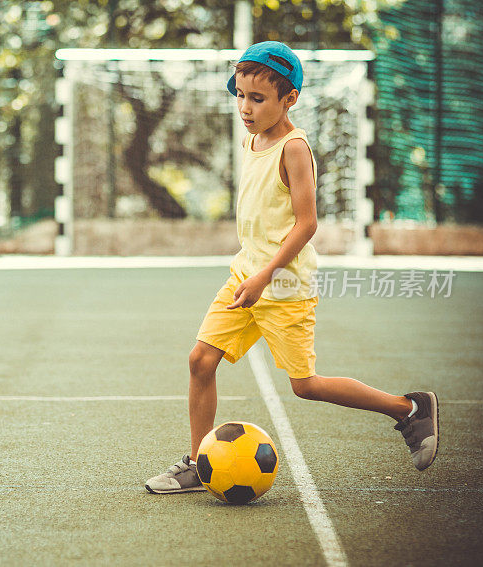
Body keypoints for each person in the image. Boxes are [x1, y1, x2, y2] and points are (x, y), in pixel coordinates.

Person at [145, 41, 438, 494]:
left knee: (304, 385)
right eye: (239, 94)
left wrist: (266, 275)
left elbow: (307, 224)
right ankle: (200, 463)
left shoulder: (294, 149)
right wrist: (253, 272)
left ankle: (408, 409)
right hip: (246, 277)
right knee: (201, 360)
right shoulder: (252, 138)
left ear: (289, 99)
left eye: (257, 99)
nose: (245, 106)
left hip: (283, 287)